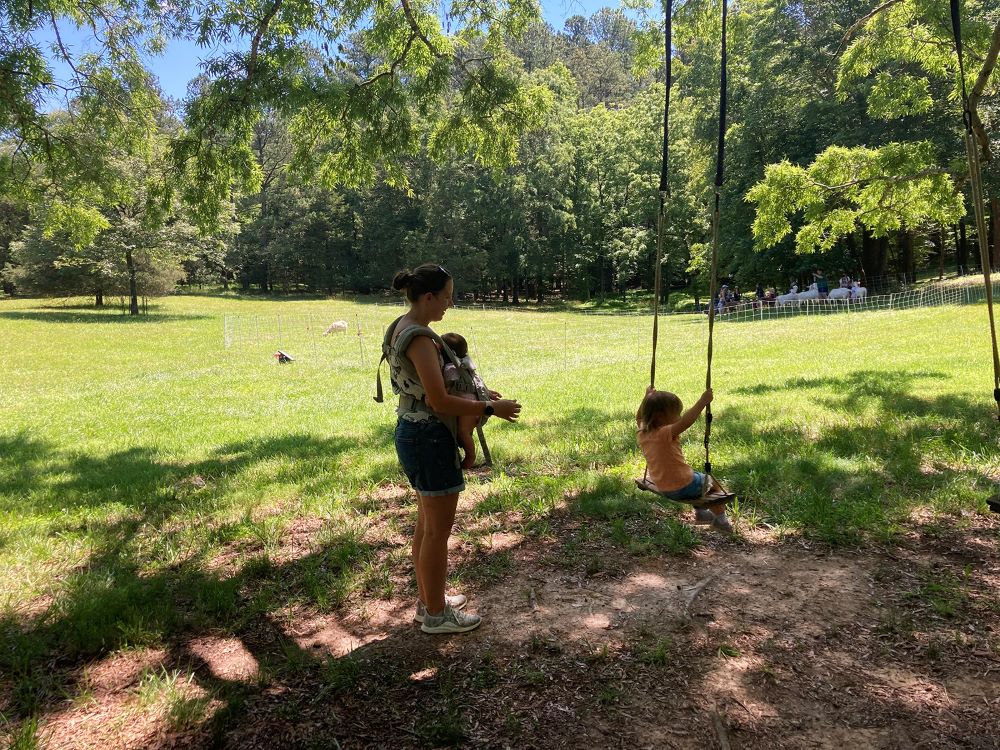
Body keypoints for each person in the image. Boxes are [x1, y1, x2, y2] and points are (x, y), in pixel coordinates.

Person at [386, 264, 521, 633]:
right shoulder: (420, 339)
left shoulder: (405, 326)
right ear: (428, 297)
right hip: (429, 437)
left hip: (415, 433)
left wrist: (479, 397)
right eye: (447, 295)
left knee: (426, 525)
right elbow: (440, 400)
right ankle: (435, 615)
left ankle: (429, 599)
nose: (450, 303)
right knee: (436, 533)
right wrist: (490, 408)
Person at [636, 387, 732, 532]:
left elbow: (639, 418)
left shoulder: (642, 432)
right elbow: (686, 422)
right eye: (676, 414)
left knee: (697, 481)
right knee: (712, 485)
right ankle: (721, 521)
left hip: (663, 486)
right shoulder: (665, 433)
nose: (679, 417)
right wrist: (702, 402)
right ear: (660, 416)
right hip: (682, 485)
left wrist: (646, 398)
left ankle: (702, 515)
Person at [440, 331, 489, 469]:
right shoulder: (465, 365)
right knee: (464, 433)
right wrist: (488, 392)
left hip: (468, 408)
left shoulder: (450, 369)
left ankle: (470, 456)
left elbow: (445, 386)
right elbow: (476, 382)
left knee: (463, 432)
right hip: (474, 403)